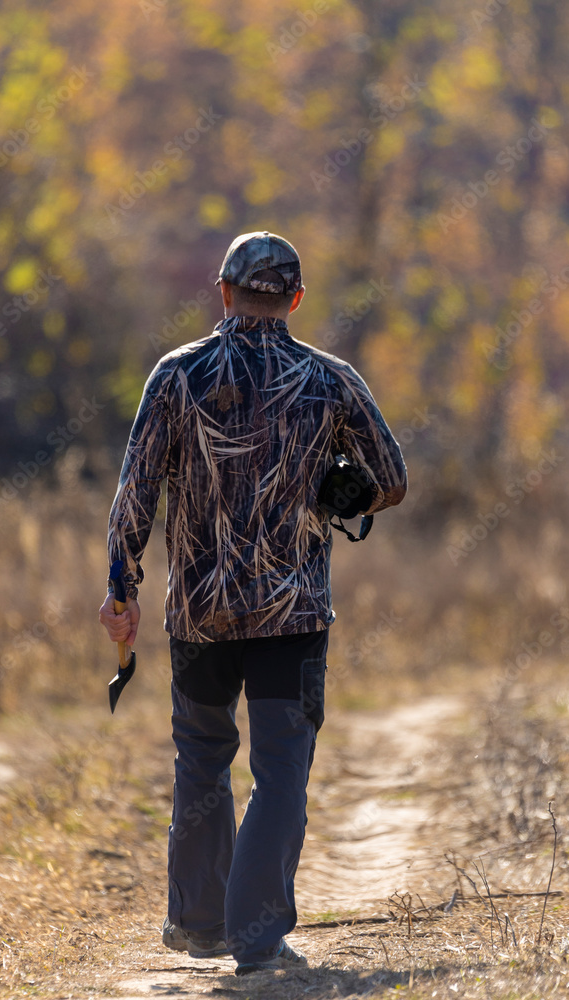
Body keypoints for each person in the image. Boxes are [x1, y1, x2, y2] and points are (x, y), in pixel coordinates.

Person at [99, 231, 407, 976]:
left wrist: (120, 588)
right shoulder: (328, 379)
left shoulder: (176, 374)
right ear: (295, 300)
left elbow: (135, 493)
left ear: (224, 292)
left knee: (201, 762)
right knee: (279, 774)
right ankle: (257, 939)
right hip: (291, 618)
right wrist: (347, 491)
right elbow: (390, 477)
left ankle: (201, 923)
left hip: (198, 615)